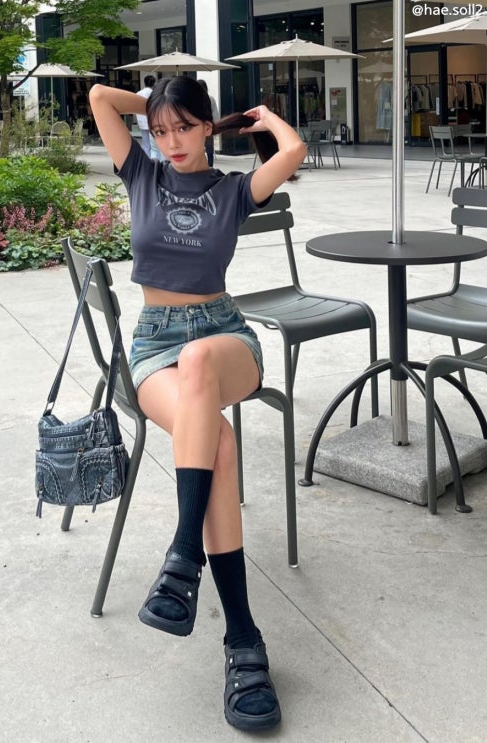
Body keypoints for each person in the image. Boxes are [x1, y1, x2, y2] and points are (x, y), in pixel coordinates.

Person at [88, 76, 305, 732]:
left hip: (222, 336)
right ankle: (242, 637)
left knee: (202, 359)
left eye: (184, 126)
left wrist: (260, 117)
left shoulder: (234, 190)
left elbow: (292, 151)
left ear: (207, 126)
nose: (171, 141)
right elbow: (99, 97)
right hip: (155, 345)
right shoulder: (142, 174)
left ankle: (184, 553)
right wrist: (156, 106)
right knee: (221, 441)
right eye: (161, 131)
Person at [197, 79, 219, 167]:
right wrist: (215, 125)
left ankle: (201, 165)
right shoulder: (210, 99)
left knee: (199, 147)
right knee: (209, 147)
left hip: (197, 127)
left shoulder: (194, 99)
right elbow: (215, 114)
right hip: (208, 126)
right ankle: (210, 166)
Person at [135, 75, 156, 157]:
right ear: (154, 83)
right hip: (152, 120)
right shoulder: (154, 94)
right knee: (155, 144)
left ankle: (147, 159)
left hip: (142, 120)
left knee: (146, 144)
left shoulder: (138, 94)